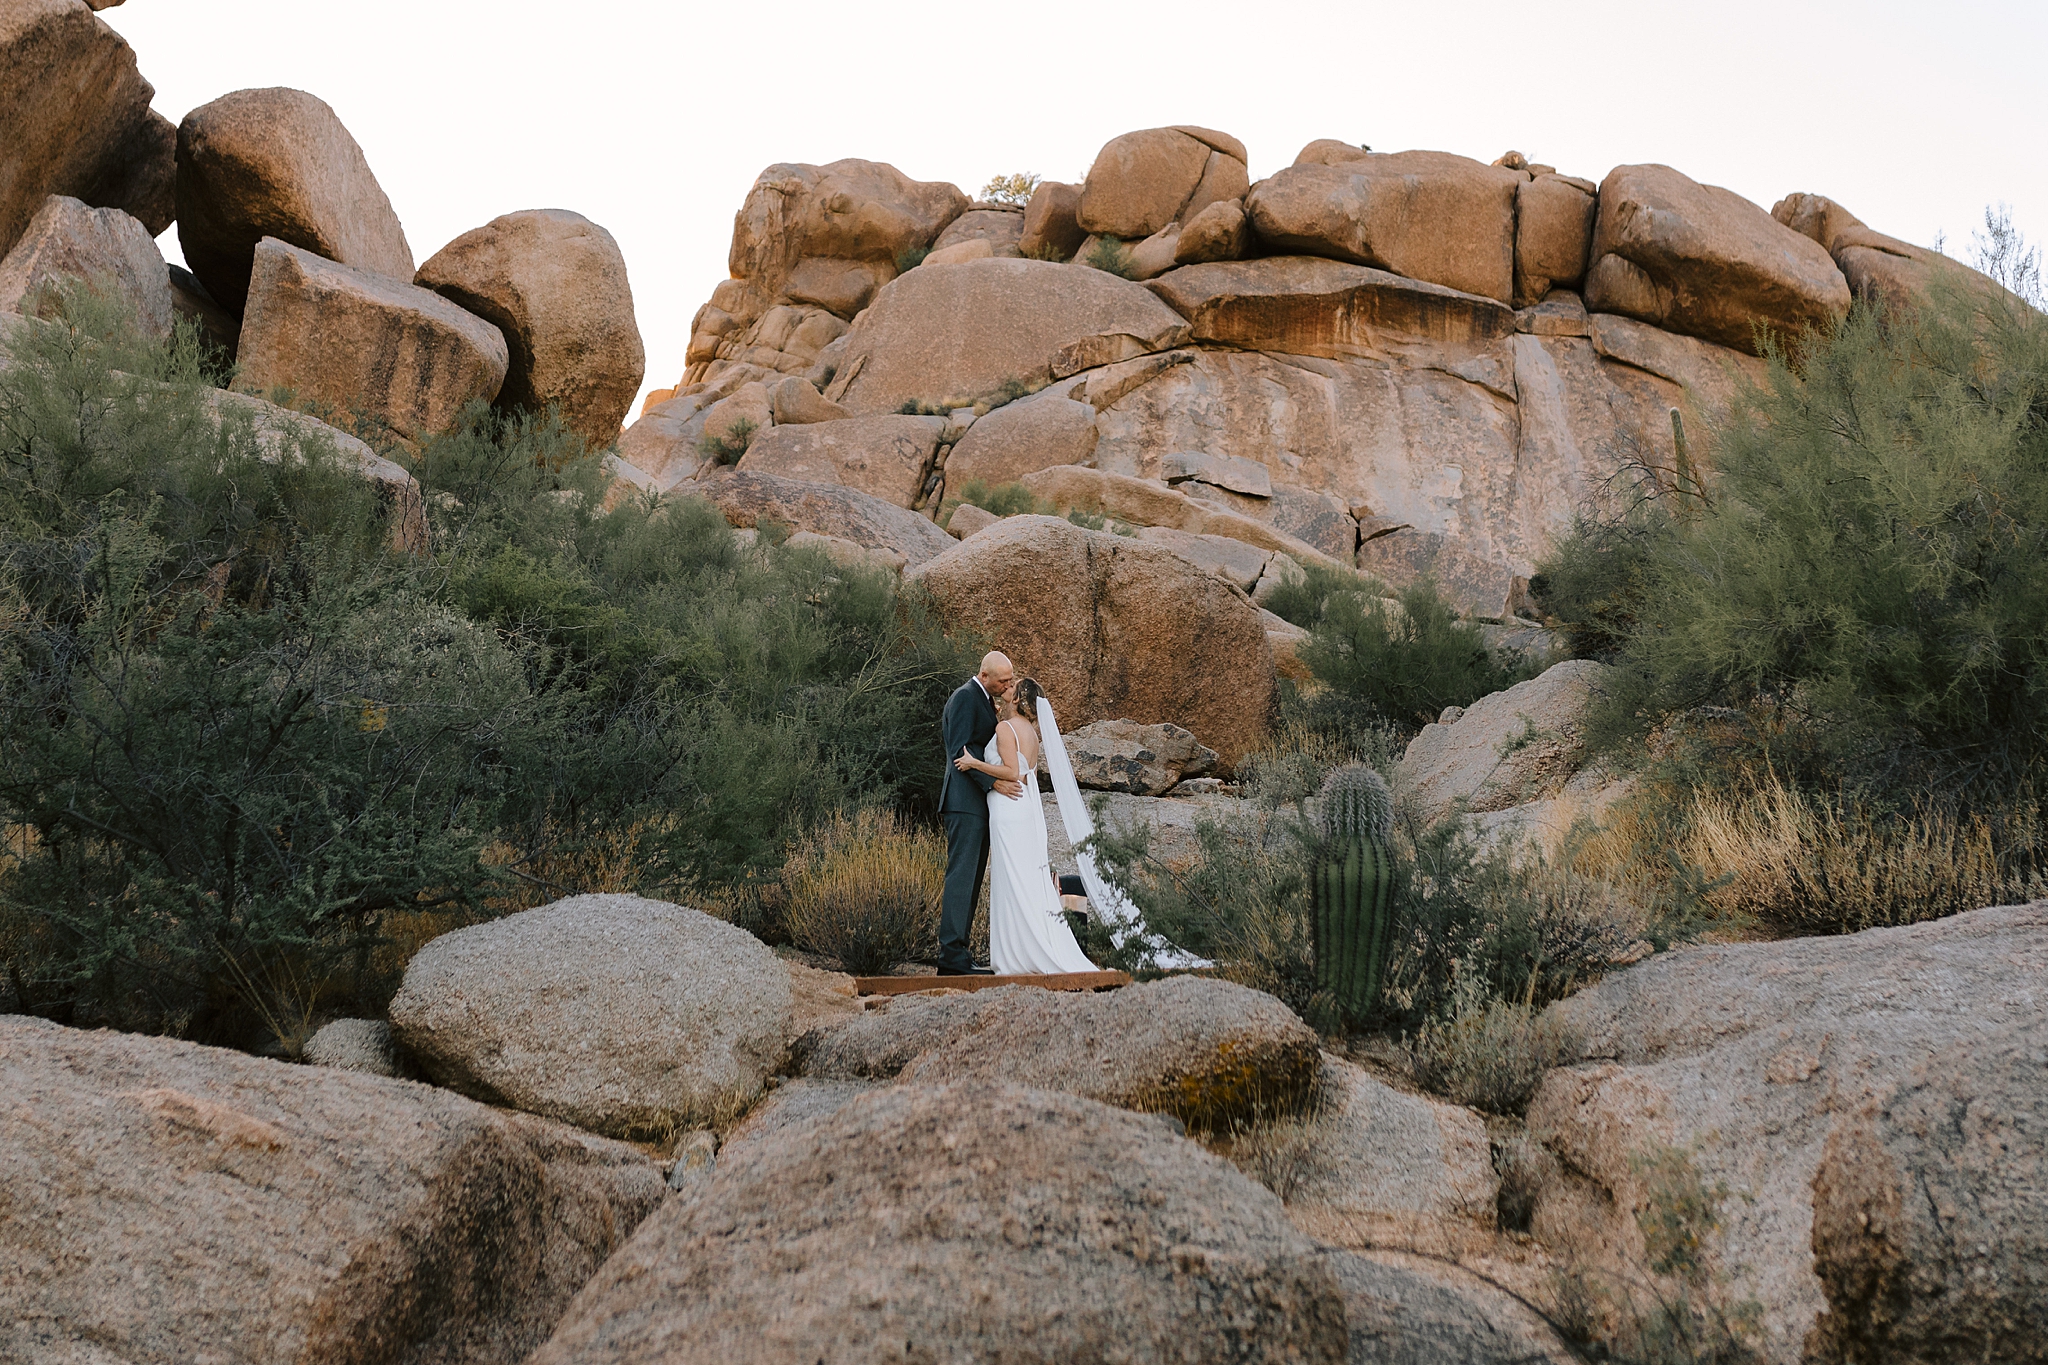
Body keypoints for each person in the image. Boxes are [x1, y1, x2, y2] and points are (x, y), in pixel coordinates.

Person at [953, 677, 1098, 975]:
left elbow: (1013, 773)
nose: (1007, 689)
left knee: (1013, 881)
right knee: (1024, 881)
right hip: (1024, 811)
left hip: (1009, 810)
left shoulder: (1006, 728)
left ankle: (1015, 955)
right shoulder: (1031, 732)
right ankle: (1025, 949)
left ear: (1018, 699)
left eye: (1011, 687)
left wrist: (975, 763)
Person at [935, 651, 1019, 974]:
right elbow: (960, 751)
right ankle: (950, 957)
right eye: (1003, 680)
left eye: (1011, 680)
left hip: (975, 806)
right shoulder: (965, 698)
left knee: (971, 881)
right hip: (964, 803)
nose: (1008, 684)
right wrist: (993, 784)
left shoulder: (983, 700)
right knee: (961, 878)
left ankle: (960, 954)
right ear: (985, 676)